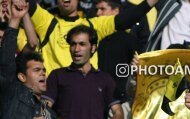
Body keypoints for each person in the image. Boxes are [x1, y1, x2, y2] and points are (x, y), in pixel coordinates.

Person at [27, 0, 159, 75]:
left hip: (87, 96)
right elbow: (27, 4)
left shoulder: (93, 25)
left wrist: (150, 2)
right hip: (55, 99)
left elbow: (125, 19)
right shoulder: (46, 22)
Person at [0, 0, 49, 119]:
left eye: (44, 70)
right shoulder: (13, 89)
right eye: (37, 70)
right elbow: (5, 63)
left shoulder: (43, 108)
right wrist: (14, 20)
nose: (44, 74)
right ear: (21, 77)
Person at [43, 25, 124, 119]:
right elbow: (43, 109)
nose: (76, 49)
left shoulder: (105, 79)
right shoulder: (57, 75)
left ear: (93, 48)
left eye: (82, 44)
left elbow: (119, 113)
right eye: (73, 44)